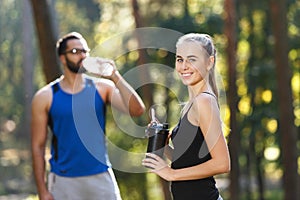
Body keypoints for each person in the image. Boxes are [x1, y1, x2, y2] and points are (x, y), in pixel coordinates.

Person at [31, 32, 145, 200]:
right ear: (63, 58)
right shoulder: (45, 97)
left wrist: (115, 76)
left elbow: (137, 110)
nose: (83, 55)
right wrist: (42, 191)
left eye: (85, 51)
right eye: (76, 52)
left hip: (101, 177)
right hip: (64, 181)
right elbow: (37, 146)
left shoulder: (102, 88)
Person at [142, 33, 230, 200]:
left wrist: (170, 174)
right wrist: (163, 144)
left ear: (209, 62)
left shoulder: (204, 101)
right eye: (180, 59)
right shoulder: (193, 103)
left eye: (192, 59)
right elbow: (189, 161)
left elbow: (222, 163)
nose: (184, 66)